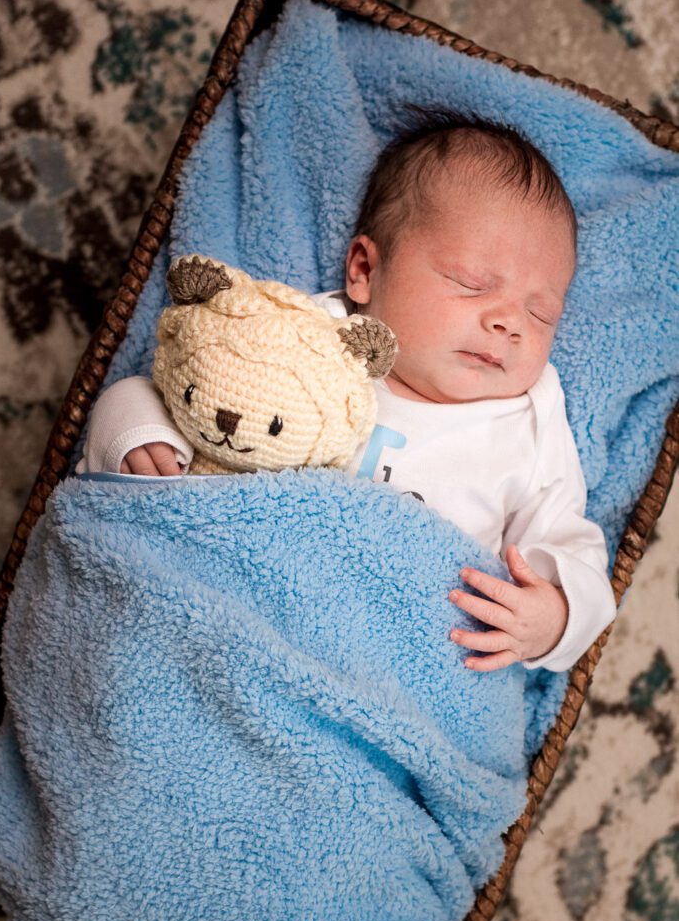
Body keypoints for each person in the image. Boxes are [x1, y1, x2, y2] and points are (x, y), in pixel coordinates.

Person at [76, 107, 617, 675]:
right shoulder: (305, 335)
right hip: (231, 618)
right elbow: (175, 389)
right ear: (364, 270)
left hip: (383, 674)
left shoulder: (528, 422)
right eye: (471, 283)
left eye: (541, 313)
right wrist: (138, 439)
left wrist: (553, 617)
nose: (510, 323)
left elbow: (573, 553)